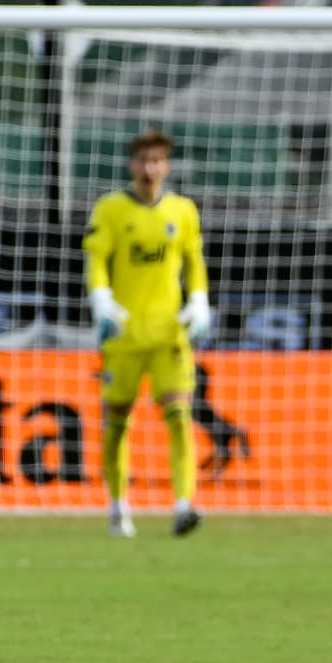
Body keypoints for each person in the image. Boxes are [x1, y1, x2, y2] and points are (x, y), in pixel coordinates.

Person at [83, 129, 212, 538]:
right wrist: (101, 297)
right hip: (123, 333)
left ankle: (183, 505)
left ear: (166, 166)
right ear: (131, 164)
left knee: (179, 416)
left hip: (168, 334)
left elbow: (194, 261)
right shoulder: (111, 210)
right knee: (118, 423)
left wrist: (200, 300)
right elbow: (98, 259)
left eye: (156, 161)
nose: (149, 168)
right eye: (142, 161)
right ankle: (118, 507)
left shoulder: (183, 211)